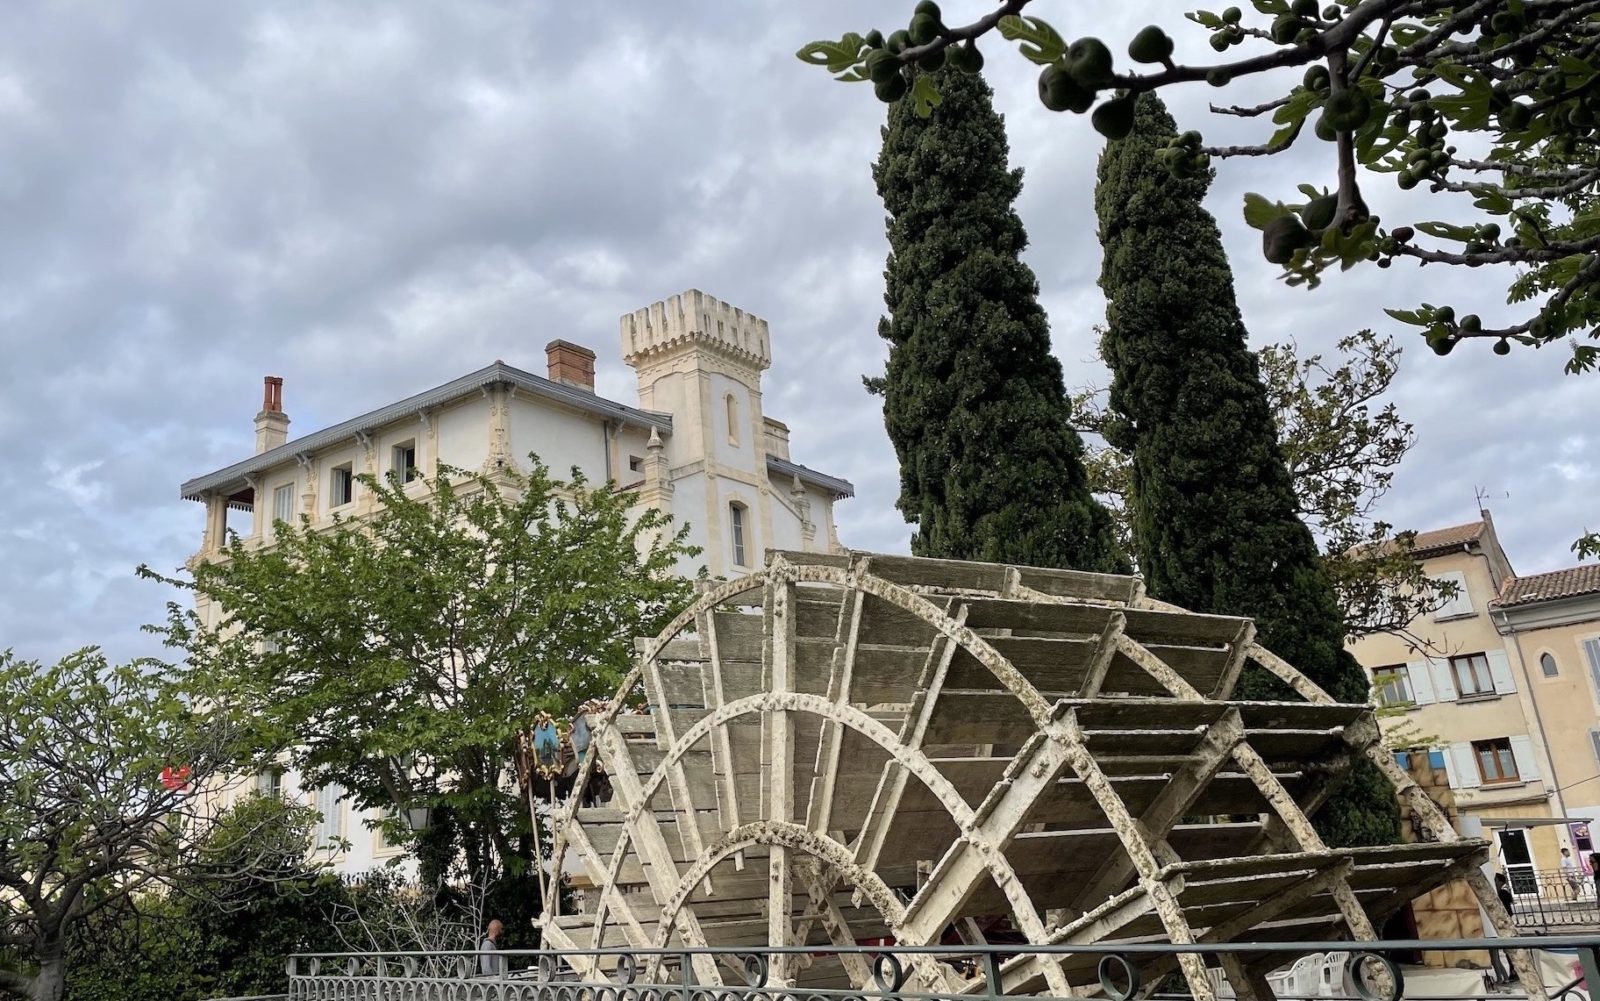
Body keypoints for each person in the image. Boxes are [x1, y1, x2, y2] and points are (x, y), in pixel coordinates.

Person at [1487, 872, 1515, 986]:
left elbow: (1508, 912)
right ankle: (1504, 976)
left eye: (1496, 880)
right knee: (1496, 957)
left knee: (1505, 953)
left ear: (1501, 882)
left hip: (1501, 927)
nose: (1494, 881)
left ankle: (1509, 974)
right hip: (1495, 928)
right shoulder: (1496, 893)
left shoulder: (1502, 894)